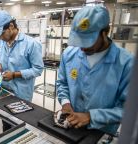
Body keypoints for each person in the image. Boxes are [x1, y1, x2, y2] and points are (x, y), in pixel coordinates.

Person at [56, 6, 133, 135]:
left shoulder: (127, 63)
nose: (82, 48)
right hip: (72, 129)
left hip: (102, 132)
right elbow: (62, 84)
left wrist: (91, 117)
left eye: (88, 41)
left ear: (105, 32)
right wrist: (65, 102)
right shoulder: (69, 55)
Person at [0, 10, 44, 102]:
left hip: (21, 93)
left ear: (11, 26)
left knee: (19, 116)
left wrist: (14, 75)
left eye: (1, 33)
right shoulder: (2, 41)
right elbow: (1, 58)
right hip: (4, 89)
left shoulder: (31, 44)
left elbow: (38, 69)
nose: (0, 37)